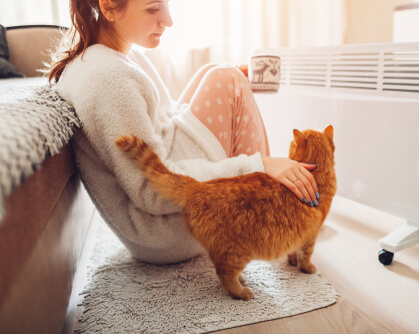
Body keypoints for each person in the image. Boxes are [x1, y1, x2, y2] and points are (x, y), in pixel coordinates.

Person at [49, 0, 320, 263]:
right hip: (165, 229)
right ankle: (270, 217)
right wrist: (257, 164)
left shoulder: (113, 58)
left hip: (164, 214)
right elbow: (152, 193)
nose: (168, 20)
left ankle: (269, 204)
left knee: (218, 73)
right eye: (154, 7)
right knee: (227, 80)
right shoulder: (108, 80)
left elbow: (161, 121)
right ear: (107, 6)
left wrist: (227, 86)